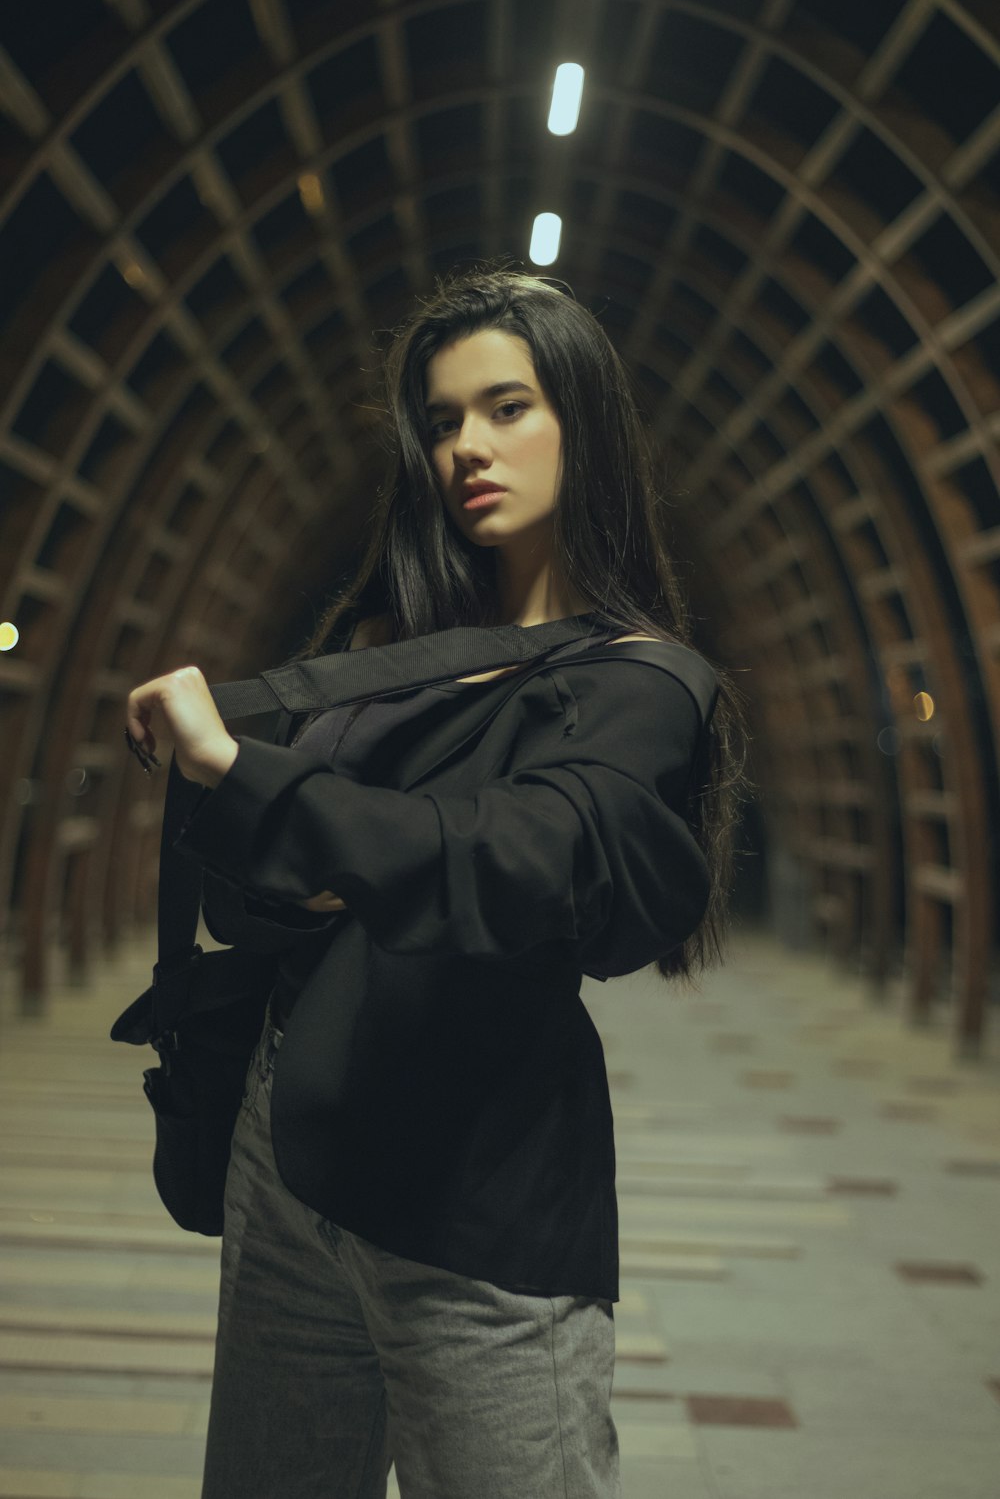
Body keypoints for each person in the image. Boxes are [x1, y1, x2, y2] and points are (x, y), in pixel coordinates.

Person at [125, 266, 749, 1499]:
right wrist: (311, 868)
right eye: (443, 419)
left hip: (473, 1199)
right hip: (288, 1154)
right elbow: (275, 877)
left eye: (507, 407)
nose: (468, 444)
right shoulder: (389, 659)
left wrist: (243, 780)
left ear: (585, 421)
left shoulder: (642, 685)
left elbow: (520, 863)